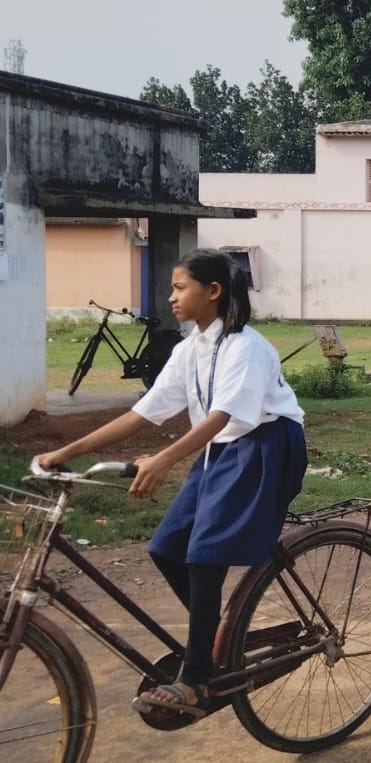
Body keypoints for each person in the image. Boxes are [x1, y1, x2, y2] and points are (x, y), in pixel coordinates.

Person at [37, 249, 307, 717]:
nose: (171, 297)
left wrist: (164, 459)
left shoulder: (247, 347)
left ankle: (199, 676)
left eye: (180, 288)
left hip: (265, 444)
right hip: (221, 448)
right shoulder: (191, 349)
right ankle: (224, 637)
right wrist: (68, 451)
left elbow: (225, 415)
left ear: (214, 292)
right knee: (167, 547)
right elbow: (143, 413)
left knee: (205, 553)